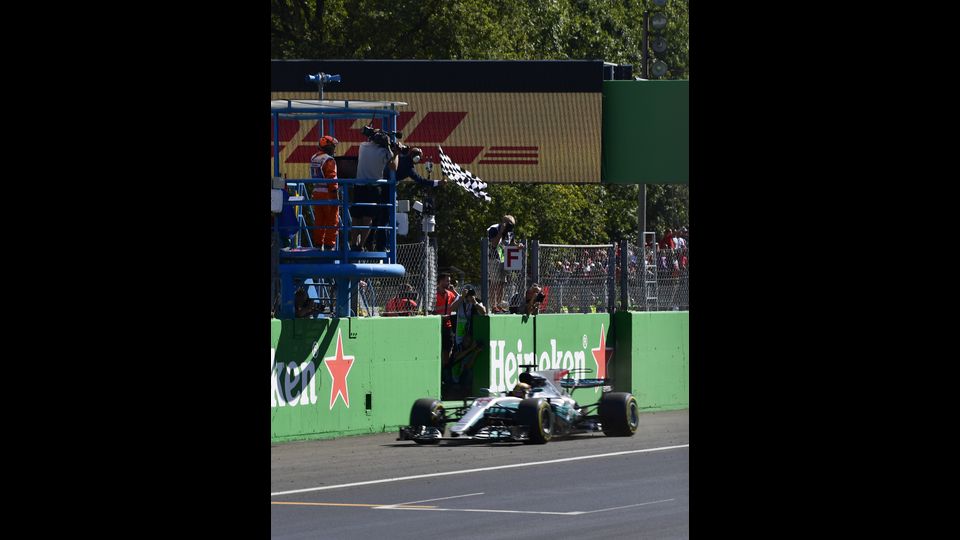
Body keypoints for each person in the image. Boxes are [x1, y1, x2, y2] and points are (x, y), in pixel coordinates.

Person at [353, 127, 399, 250]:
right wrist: (395, 152)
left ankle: (353, 244)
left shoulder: (363, 146)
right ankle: (361, 245)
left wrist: (375, 133)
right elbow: (394, 167)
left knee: (356, 218)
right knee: (368, 219)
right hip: (373, 189)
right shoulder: (385, 153)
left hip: (359, 186)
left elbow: (369, 137)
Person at [434, 272, 463, 397]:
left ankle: (445, 375)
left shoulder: (450, 294)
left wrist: (455, 291)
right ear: (440, 282)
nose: (448, 283)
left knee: (448, 350)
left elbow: (459, 300)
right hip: (436, 325)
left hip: (448, 326)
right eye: (446, 281)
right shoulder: (433, 295)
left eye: (449, 281)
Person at [308, 135, 340, 250]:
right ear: (327, 147)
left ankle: (318, 244)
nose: (334, 148)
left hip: (316, 193)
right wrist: (335, 196)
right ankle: (329, 245)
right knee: (332, 221)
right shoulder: (329, 160)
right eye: (332, 146)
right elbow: (332, 179)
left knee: (319, 221)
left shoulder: (314, 157)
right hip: (328, 195)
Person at [487, 215, 521, 313]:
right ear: (503, 222)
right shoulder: (494, 229)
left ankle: (499, 305)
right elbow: (493, 244)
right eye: (509, 225)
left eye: (513, 225)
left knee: (502, 283)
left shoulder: (510, 232)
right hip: (494, 258)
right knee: (494, 282)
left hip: (504, 259)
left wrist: (518, 246)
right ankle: (493, 306)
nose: (511, 227)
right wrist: (501, 232)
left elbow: (511, 244)